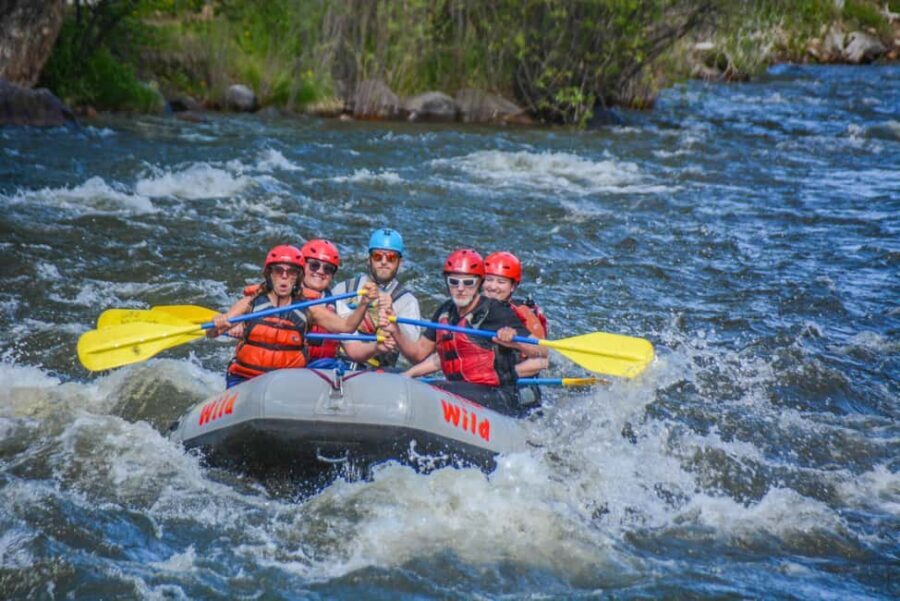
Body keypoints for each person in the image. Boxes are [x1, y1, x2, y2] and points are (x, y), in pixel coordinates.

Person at [383, 249, 543, 416]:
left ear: (479, 283)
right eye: (454, 282)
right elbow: (417, 354)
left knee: (437, 388)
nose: (460, 289)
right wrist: (396, 330)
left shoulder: (496, 311)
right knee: (389, 373)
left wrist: (514, 341)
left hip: (497, 395)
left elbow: (541, 352)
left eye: (468, 283)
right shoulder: (445, 311)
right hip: (461, 390)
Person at [209, 244, 378, 388]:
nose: (284, 276)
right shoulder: (249, 303)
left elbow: (347, 327)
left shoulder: (309, 309)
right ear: (269, 274)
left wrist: (363, 303)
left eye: (291, 272)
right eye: (278, 270)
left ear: (298, 277)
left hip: (283, 383)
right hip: (244, 379)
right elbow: (212, 334)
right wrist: (217, 323)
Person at [331, 227, 421, 369]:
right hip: (338, 364)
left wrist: (393, 318)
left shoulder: (407, 301)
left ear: (400, 263)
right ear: (369, 259)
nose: (384, 262)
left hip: (379, 372)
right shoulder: (344, 289)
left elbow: (412, 350)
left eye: (391, 257)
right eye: (378, 256)